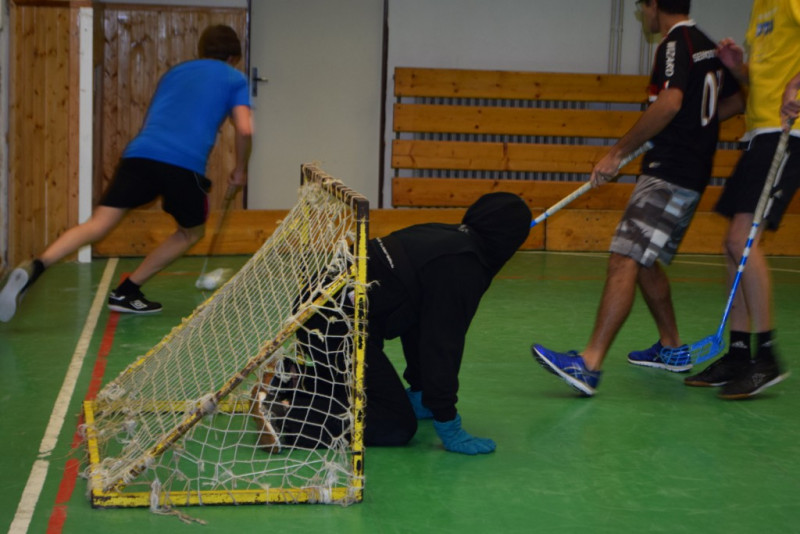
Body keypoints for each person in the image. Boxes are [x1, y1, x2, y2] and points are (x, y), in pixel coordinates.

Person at [530, 0, 744, 396]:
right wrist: (692, 127)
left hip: (669, 173)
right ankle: (671, 347)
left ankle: (589, 364)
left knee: (624, 257)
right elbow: (735, 101)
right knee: (644, 260)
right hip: (689, 173)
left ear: (654, 5)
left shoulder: (675, 43)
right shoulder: (706, 44)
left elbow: (670, 102)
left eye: (642, 6)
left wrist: (616, 153)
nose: (642, 14)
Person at [0, 24, 253, 322]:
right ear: (233, 57)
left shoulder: (175, 73)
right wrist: (240, 169)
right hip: (183, 164)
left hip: (139, 154)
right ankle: (128, 291)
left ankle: (37, 266)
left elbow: (153, 117)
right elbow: (245, 128)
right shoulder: (234, 78)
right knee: (191, 232)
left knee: (97, 224)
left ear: (202, 51)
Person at [252, 192, 531, 455]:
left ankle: (286, 378)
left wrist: (421, 388)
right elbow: (441, 344)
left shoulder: (444, 235)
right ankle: (284, 417)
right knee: (394, 424)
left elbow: (417, 323)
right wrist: (447, 419)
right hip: (336, 322)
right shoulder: (463, 267)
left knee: (366, 395)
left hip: (323, 310)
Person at [684, 0, 800, 399]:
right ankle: (738, 353)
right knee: (732, 245)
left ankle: (766, 356)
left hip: (788, 131)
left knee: (741, 240)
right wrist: (737, 67)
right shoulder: (759, 8)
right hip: (758, 133)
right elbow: (765, 75)